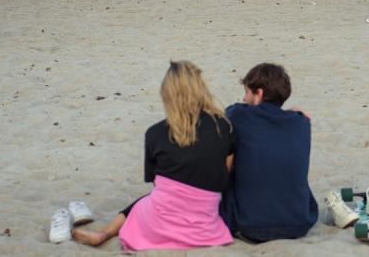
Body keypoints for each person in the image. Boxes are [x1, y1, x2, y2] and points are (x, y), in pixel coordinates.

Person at [71, 61, 234, 250]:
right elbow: (225, 172)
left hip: (158, 221)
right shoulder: (223, 126)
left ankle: (104, 233)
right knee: (168, 195)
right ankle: (105, 233)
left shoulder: (154, 133)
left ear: (167, 95)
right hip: (204, 223)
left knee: (148, 200)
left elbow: (157, 183)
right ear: (201, 90)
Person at [219, 63, 317, 242]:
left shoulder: (238, 115)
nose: (244, 98)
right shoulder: (301, 123)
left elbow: (226, 114)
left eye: (247, 92)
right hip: (299, 223)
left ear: (259, 94)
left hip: (251, 226)